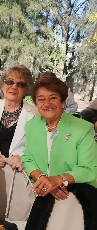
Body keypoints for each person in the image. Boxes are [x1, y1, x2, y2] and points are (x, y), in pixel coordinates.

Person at [22, 76, 97, 229]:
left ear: (63, 102)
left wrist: (58, 180)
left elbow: (88, 169)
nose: (47, 104)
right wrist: (44, 179)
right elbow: (27, 159)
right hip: (46, 193)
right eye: (41, 99)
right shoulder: (32, 126)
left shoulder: (83, 128)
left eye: (53, 98)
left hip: (80, 196)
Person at [0, 65, 38, 171]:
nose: (14, 87)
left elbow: (38, 148)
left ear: (26, 89)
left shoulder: (35, 114)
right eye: (10, 82)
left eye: (20, 84)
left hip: (19, 172)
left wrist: (22, 158)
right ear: (2, 84)